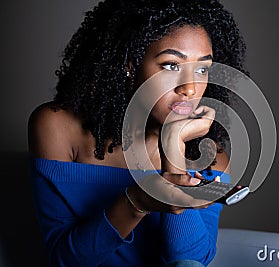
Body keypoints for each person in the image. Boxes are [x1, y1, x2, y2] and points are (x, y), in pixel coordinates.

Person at [28, 0, 247, 266]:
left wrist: (173, 149)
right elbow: (66, 260)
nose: (190, 88)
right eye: (171, 66)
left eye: (202, 69)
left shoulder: (212, 157)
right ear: (130, 65)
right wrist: (138, 201)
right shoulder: (58, 128)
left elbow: (189, 260)